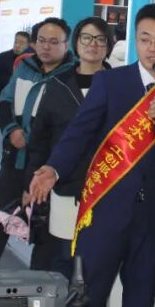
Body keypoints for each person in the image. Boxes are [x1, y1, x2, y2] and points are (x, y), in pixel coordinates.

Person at [27, 3, 155, 307]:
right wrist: (53, 169)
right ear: (135, 40)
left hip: (154, 216)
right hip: (105, 209)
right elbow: (80, 133)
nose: (152, 48)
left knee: (140, 298)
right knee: (89, 292)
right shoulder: (111, 82)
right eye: (145, 39)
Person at [0, 17, 75, 269]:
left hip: (48, 166)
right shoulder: (24, 67)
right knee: (0, 217)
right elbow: (5, 101)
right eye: (41, 40)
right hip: (16, 158)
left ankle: (38, 284)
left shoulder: (72, 76)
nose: (46, 47)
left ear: (66, 45)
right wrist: (11, 131)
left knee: (43, 228)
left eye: (54, 42)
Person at [24, 17, 113, 279]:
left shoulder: (119, 86)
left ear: (109, 45)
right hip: (64, 187)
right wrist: (31, 182)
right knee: (61, 259)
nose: (93, 44)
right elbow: (39, 140)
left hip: (105, 188)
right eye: (86, 38)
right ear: (75, 43)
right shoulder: (57, 85)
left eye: (100, 39)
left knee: (97, 264)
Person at [0, 31, 34, 111]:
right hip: (2, 102)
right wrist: (14, 80)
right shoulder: (2, 57)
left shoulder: (31, 61)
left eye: (21, 43)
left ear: (28, 45)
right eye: (16, 42)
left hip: (23, 105)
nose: (17, 45)